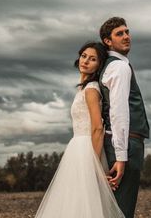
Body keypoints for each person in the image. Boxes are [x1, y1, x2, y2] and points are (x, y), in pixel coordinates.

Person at [34, 41, 125, 218]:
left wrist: (95, 164)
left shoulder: (91, 89)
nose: (85, 61)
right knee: (74, 201)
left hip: (87, 149)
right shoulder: (83, 89)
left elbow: (98, 127)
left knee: (85, 201)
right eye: (84, 56)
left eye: (92, 59)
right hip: (77, 149)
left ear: (99, 65)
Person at [98, 17, 150, 218]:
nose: (126, 36)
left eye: (127, 32)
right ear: (107, 41)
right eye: (119, 33)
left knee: (117, 209)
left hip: (122, 141)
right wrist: (121, 157)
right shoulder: (119, 67)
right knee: (122, 210)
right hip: (126, 142)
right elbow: (118, 112)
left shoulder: (113, 65)